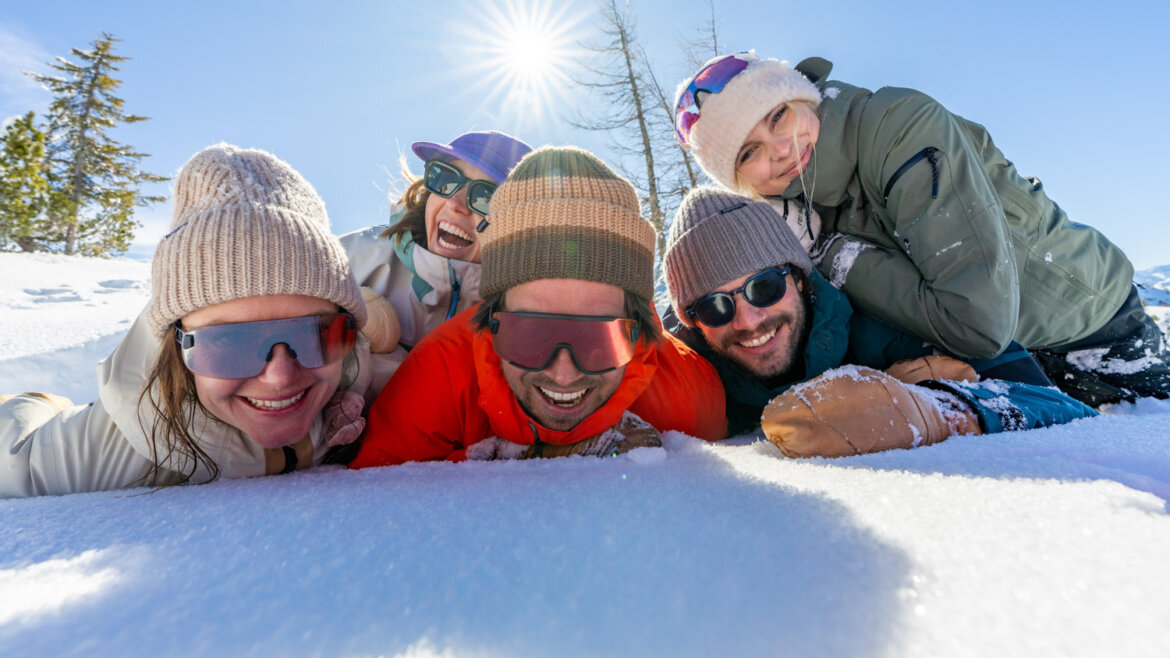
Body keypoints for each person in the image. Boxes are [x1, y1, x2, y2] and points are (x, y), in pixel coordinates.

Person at [672, 51, 1170, 407]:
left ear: (801, 97)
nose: (778, 148)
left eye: (777, 116)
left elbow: (979, 324)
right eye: (748, 153)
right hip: (1002, 366)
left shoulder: (899, 127)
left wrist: (833, 251)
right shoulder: (792, 208)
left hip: (1089, 324)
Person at [0, 144, 381, 497]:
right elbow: (15, 463)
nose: (280, 376)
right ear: (178, 345)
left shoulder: (356, 382)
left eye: (315, 334)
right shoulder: (104, 458)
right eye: (230, 343)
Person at [349, 146, 727, 467]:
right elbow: (375, 496)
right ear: (491, 318)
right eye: (528, 334)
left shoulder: (685, 394)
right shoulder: (441, 373)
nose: (563, 375)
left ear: (638, 329)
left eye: (601, 339)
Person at [663, 186, 1096, 457]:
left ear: (797, 278)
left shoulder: (882, 322)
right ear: (693, 322)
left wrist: (944, 410)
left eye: (764, 287)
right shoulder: (691, 377)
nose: (749, 319)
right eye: (714, 306)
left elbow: (1053, 402)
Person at [340, 131, 532, 403]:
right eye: (446, 179)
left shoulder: (521, 316)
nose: (455, 204)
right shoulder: (359, 256)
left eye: (486, 197)